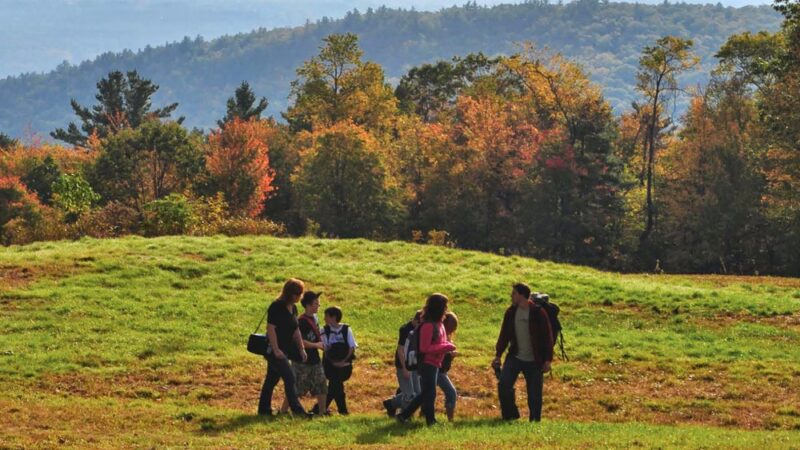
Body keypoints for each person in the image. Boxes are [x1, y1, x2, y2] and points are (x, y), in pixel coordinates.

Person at [492, 282, 554, 422]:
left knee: (534, 395)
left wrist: (548, 360)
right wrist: (498, 355)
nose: (511, 296)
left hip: (535, 360)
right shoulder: (511, 312)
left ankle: (534, 421)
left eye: (514, 293)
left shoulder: (538, 313)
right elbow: (504, 335)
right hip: (515, 356)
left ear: (522, 295)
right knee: (504, 385)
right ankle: (510, 416)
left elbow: (547, 337)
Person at [396, 294, 456, 426]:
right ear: (438, 307)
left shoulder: (439, 324)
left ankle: (422, 419)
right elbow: (424, 348)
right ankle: (413, 417)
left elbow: (440, 343)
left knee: (428, 393)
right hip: (427, 363)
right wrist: (446, 347)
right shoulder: (428, 326)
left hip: (435, 363)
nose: (446, 309)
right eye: (444, 306)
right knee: (428, 393)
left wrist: (446, 348)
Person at [257, 278, 311, 418]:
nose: (300, 296)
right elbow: (271, 329)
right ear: (290, 293)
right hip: (274, 350)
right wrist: (276, 349)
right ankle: (297, 410)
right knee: (290, 377)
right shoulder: (276, 306)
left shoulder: (293, 307)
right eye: (297, 293)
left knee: (271, 380)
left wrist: (301, 348)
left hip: (285, 349)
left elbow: (295, 330)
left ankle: (264, 409)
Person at [280, 291, 327, 415]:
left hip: (315, 359)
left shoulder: (314, 318)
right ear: (308, 305)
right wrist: (316, 345)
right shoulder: (301, 322)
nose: (318, 306)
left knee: (321, 385)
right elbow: (299, 341)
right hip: (302, 360)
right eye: (316, 303)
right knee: (296, 389)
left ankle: (322, 412)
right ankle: (283, 411)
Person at [382, 310, 423, 417]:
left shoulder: (419, 329)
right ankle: (403, 415)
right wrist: (404, 368)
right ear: (417, 320)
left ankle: (391, 404)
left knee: (418, 394)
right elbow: (400, 350)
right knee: (409, 395)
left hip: (414, 364)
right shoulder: (406, 329)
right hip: (404, 365)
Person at [319, 306, 357, 415]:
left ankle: (319, 409)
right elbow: (325, 348)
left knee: (334, 385)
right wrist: (334, 362)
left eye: (326, 316)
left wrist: (343, 361)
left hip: (344, 364)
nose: (324, 319)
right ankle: (342, 411)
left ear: (333, 317)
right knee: (336, 385)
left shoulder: (346, 329)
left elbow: (351, 347)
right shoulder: (324, 330)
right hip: (330, 364)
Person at [438, 311, 458, 422]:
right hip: (438, 370)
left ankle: (391, 404)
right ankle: (450, 419)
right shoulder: (440, 336)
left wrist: (451, 356)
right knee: (451, 392)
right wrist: (449, 354)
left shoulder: (447, 337)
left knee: (424, 394)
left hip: (442, 370)